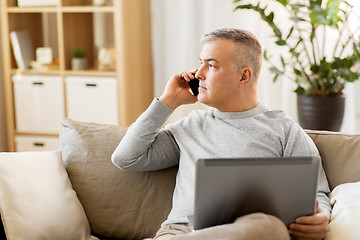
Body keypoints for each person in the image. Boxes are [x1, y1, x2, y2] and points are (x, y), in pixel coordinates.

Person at [112, 28, 331, 240]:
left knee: (269, 227)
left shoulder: (283, 128)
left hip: (253, 234)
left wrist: (321, 218)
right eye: (200, 63)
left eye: (212, 65)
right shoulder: (190, 126)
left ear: (244, 76)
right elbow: (126, 158)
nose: (198, 74)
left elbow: (318, 192)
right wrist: (167, 102)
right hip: (182, 231)